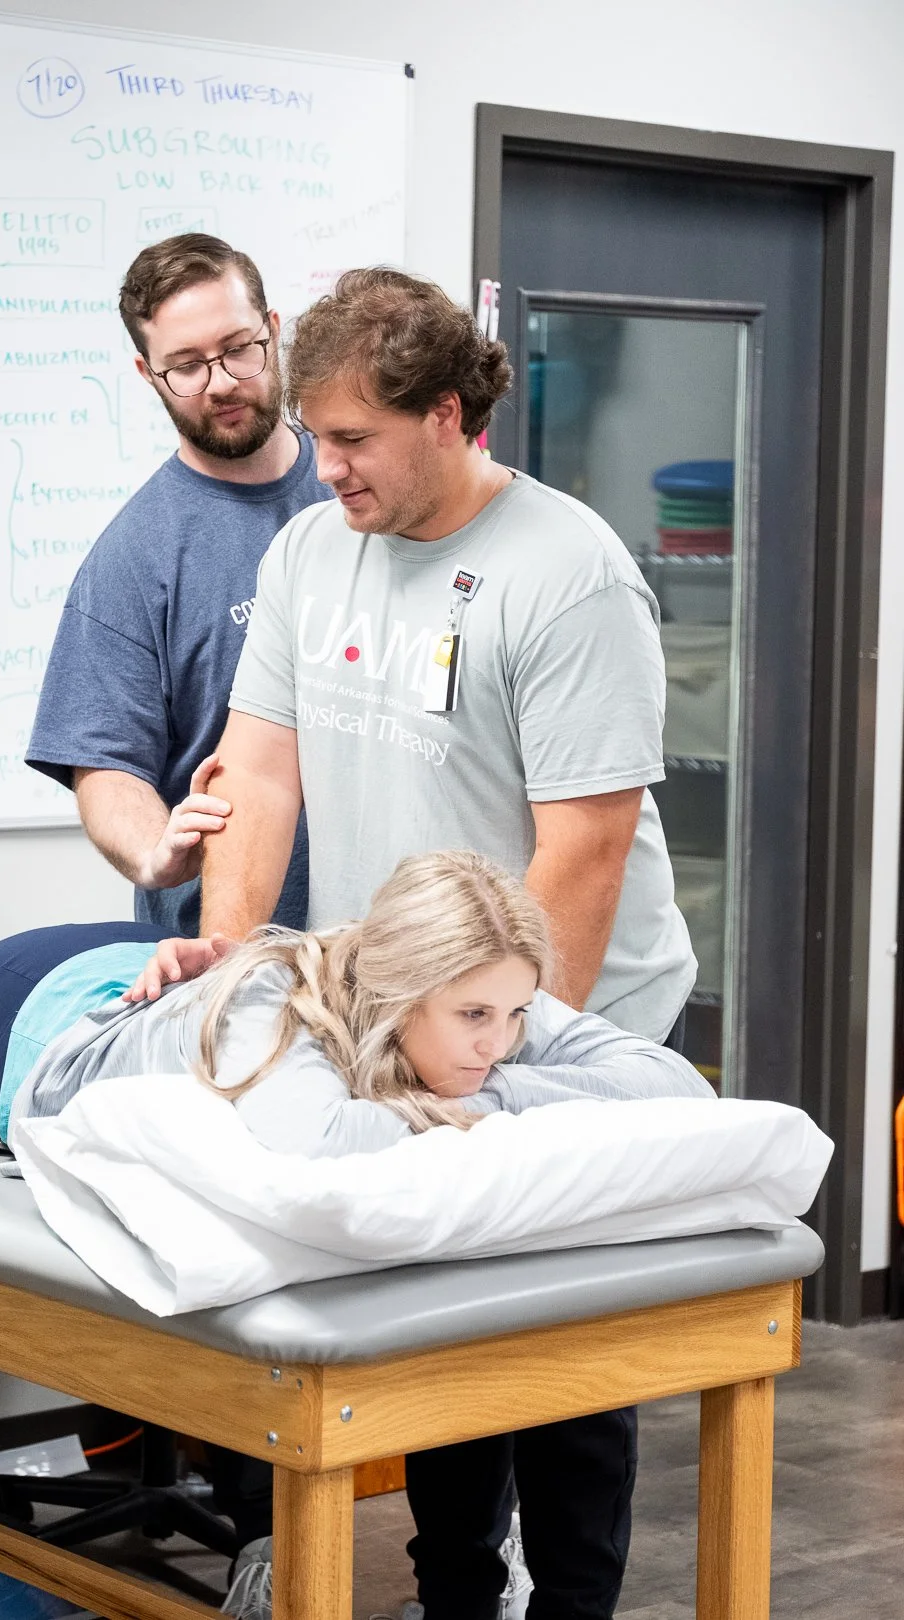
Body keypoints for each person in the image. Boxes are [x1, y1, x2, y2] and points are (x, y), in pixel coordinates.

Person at [195, 269, 700, 1618]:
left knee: (560, 1349)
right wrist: (229, 968)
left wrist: (516, 1055)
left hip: (577, 1009)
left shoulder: (569, 572)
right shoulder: (311, 550)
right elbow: (259, 774)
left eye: (356, 437)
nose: (327, 464)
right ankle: (460, 1596)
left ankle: (575, 1603)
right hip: (408, 1009)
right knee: (440, 1317)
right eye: (321, 433)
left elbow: (582, 851)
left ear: (453, 414)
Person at [0, 853, 711, 1620]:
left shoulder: (481, 989)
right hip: (9, 1039)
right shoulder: (275, 1007)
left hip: (141, 975)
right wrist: (498, 1105)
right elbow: (324, 1141)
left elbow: (675, 1088)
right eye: (475, 1020)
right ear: (399, 994)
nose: (501, 1042)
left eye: (516, 1016)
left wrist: (494, 1095)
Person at [25, 233, 332, 936]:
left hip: (396, 949)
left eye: (237, 348)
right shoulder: (133, 559)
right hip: (233, 957)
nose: (221, 381)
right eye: (187, 366)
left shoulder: (358, 489)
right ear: (147, 373)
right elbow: (105, 766)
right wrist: (152, 850)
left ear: (274, 330)